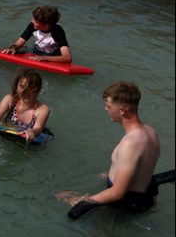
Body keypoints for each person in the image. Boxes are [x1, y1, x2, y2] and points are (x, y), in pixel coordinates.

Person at [59, 82, 161, 215]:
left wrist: (82, 200)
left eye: (108, 106)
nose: (105, 109)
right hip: (144, 196)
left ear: (122, 110)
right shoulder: (151, 132)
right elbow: (140, 168)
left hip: (124, 206)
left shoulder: (130, 144)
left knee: (59, 195)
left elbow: (118, 193)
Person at [0, 69, 50, 142]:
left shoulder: (42, 109)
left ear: (38, 90)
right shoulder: (10, 100)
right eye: (21, 86)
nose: (24, 92)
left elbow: (38, 128)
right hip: (9, 130)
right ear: (16, 86)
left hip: (35, 136)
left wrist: (32, 132)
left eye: (30, 89)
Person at [2, 5, 73, 63]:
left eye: (35, 21)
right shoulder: (32, 25)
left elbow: (67, 58)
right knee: (14, 52)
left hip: (52, 55)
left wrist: (45, 58)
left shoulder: (57, 31)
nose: (32, 21)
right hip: (35, 50)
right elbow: (19, 42)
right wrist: (13, 48)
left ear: (46, 26)